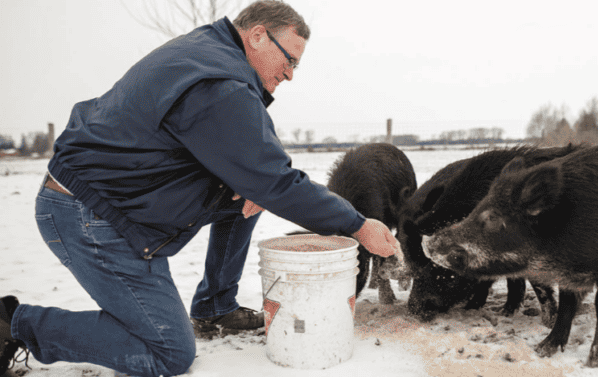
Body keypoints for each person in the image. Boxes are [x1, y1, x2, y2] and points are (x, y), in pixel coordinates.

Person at [0, 1, 402, 376]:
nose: (290, 73)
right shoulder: (220, 82)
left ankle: (214, 308)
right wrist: (357, 225)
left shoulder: (209, 53)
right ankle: (15, 325)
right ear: (258, 35)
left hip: (117, 195)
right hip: (91, 213)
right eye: (289, 59)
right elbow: (277, 180)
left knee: (251, 195)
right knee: (169, 352)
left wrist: (250, 182)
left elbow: (251, 168)